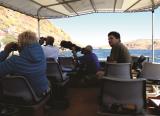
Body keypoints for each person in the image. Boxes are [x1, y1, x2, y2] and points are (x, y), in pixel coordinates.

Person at [0, 31, 49, 97]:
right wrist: (21, 49)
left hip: (26, 96)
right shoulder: (42, 56)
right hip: (43, 90)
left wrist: (6, 51)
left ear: (21, 44)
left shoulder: (14, 61)